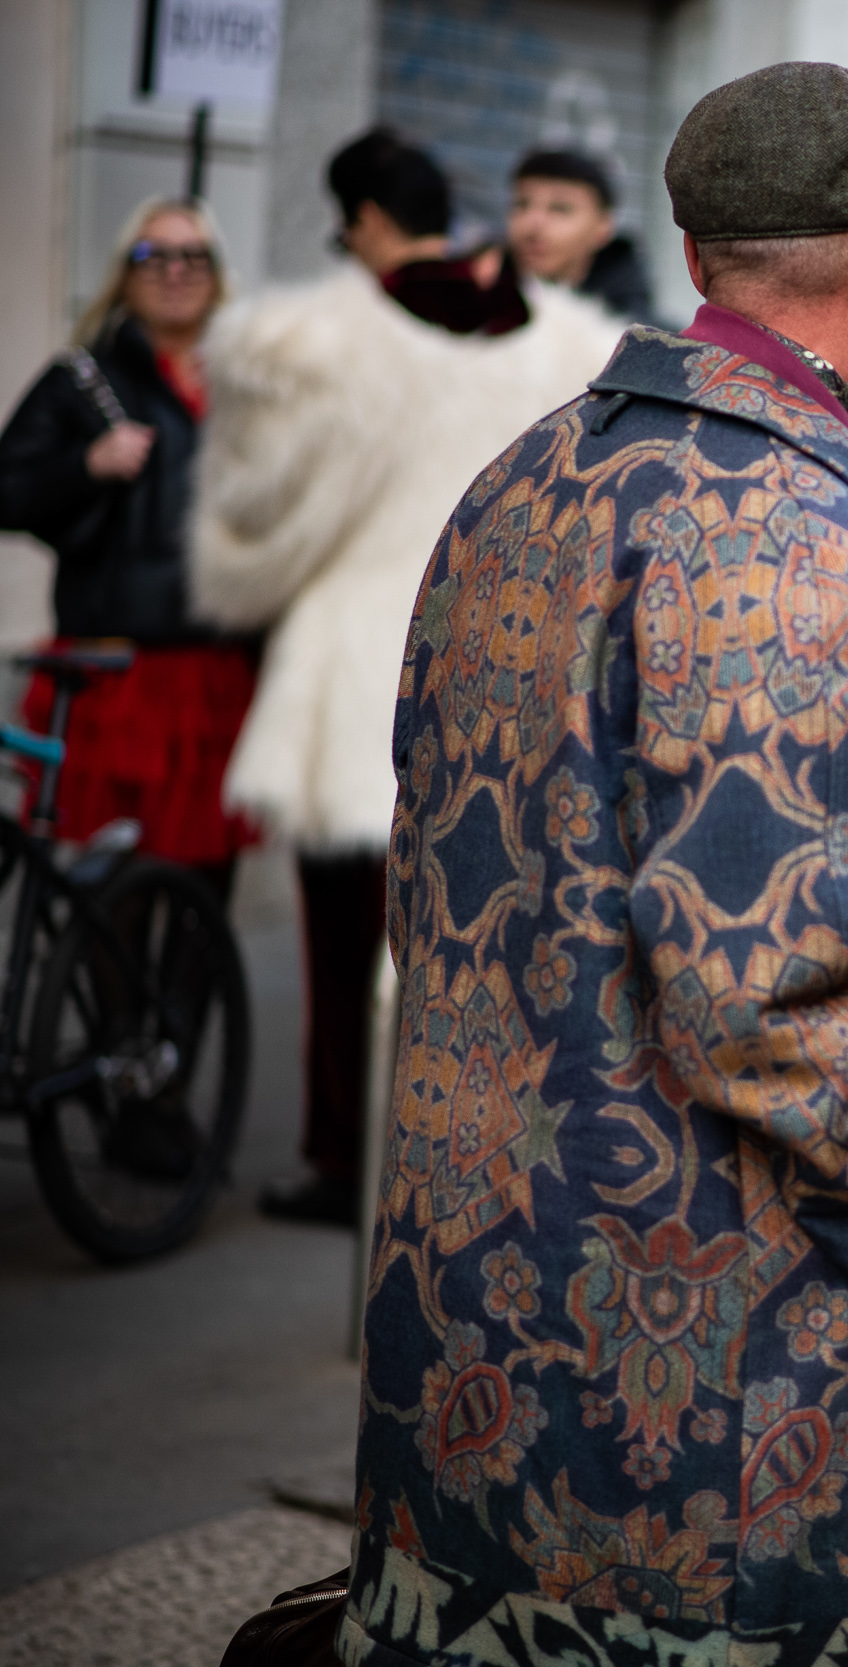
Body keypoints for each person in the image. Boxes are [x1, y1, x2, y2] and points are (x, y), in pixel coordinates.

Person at [341, 61, 848, 1666]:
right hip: (726, 1442)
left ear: (699, 253)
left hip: (472, 1375)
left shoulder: (525, 477)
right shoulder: (780, 524)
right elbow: (769, 993)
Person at [189, 127, 618, 1226]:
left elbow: (250, 531)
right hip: (508, 658)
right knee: (488, 931)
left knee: (347, 941)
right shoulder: (563, 339)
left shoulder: (314, 342)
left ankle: (344, 1157)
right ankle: (464, 1155)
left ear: (368, 223)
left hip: (354, 665)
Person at [0, 196, 254, 890]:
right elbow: (9, 489)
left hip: (221, 672)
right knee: (114, 894)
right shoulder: (81, 377)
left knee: (204, 900)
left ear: (217, 273)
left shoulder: (249, 380)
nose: (175, 271)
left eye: (192, 256)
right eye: (153, 255)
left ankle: (193, 1006)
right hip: (117, 674)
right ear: (125, 272)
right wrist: (86, 465)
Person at [504, 147, 655, 321]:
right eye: (521, 204)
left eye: (560, 208)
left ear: (603, 226)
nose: (533, 223)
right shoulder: (472, 316)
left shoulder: (651, 341)